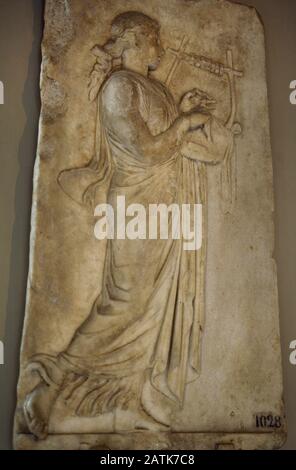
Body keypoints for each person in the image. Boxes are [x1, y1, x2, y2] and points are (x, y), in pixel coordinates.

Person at [23, 11, 233, 440]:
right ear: (136, 40)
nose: (162, 47)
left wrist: (192, 115)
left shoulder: (155, 88)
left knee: (153, 313)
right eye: (155, 39)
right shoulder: (119, 88)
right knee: (125, 305)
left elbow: (182, 145)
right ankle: (49, 389)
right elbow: (147, 149)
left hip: (168, 213)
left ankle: (127, 405)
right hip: (138, 210)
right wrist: (184, 122)